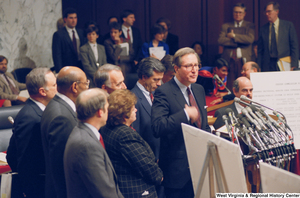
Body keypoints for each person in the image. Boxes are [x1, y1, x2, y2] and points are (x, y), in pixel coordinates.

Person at [152, 47, 211, 198]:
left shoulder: (198, 89)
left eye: (196, 65)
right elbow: (158, 127)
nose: (194, 70)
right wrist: (184, 114)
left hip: (201, 167)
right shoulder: (163, 91)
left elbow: (202, 126)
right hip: (177, 172)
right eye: (188, 66)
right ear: (176, 68)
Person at [101, 89, 163, 198]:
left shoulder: (106, 128)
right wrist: (159, 176)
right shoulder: (125, 135)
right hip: (137, 191)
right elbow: (147, 167)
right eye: (133, 108)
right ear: (124, 114)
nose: (136, 110)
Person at [6, 68, 57, 198]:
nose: (58, 88)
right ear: (42, 91)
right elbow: (24, 160)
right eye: (54, 85)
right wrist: (30, 191)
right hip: (37, 188)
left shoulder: (38, 111)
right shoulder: (30, 118)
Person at [64, 88, 124, 198]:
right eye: (107, 108)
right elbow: (104, 192)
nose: (108, 111)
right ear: (100, 112)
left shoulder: (82, 133)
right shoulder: (86, 145)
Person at [41, 66, 89, 198]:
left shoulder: (57, 105)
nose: (87, 87)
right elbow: (63, 165)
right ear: (75, 87)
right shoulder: (62, 118)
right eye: (86, 83)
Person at [131, 57, 165, 160]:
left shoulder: (157, 93)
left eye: (160, 79)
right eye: (155, 80)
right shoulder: (133, 99)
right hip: (148, 158)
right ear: (144, 77)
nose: (159, 84)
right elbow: (136, 137)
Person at [218, 3, 255, 92]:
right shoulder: (226, 26)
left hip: (244, 59)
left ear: (244, 13)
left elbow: (250, 39)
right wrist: (240, 42)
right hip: (229, 59)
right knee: (229, 83)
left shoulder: (249, 25)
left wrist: (234, 36)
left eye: (240, 12)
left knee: (244, 81)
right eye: (235, 12)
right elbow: (221, 40)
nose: (237, 14)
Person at [257, 2, 299, 71]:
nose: (267, 14)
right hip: (268, 65)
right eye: (266, 12)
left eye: (269, 11)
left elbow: (294, 47)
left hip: (285, 63)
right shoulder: (263, 29)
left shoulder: (288, 26)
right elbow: (260, 51)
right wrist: (258, 66)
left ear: (276, 12)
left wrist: (294, 65)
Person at [52, 8, 85, 73]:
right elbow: (57, 55)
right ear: (65, 19)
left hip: (81, 66)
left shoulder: (81, 32)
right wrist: (59, 72)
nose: (74, 20)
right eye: (71, 18)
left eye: (75, 18)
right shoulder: (58, 34)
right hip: (66, 67)